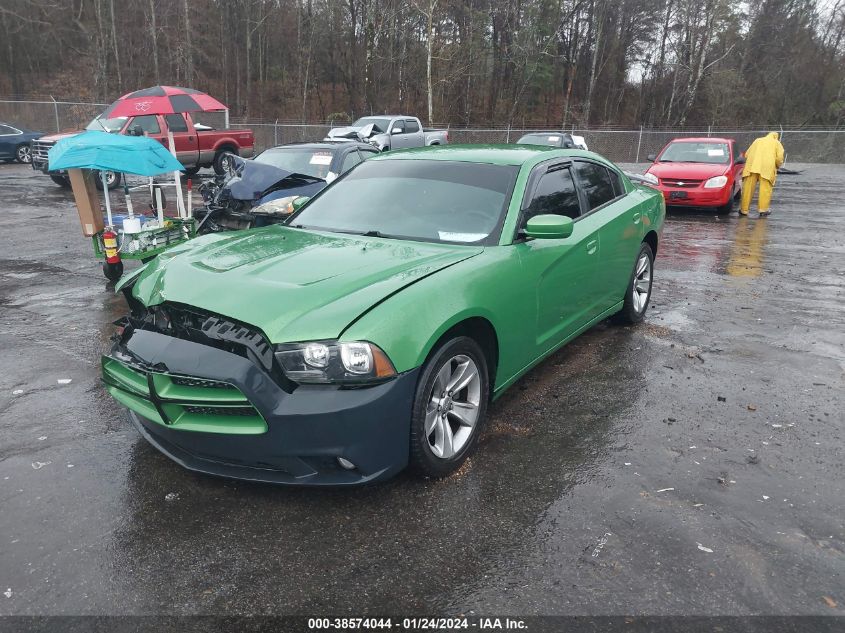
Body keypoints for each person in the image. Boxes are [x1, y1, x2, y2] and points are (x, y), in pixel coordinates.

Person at [740, 132, 784, 217]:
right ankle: (763, 210)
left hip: (752, 167)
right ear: (776, 137)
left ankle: (744, 210)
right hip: (766, 169)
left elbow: (747, 154)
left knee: (747, 189)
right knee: (765, 190)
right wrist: (777, 166)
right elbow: (779, 158)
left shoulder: (757, 140)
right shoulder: (776, 143)